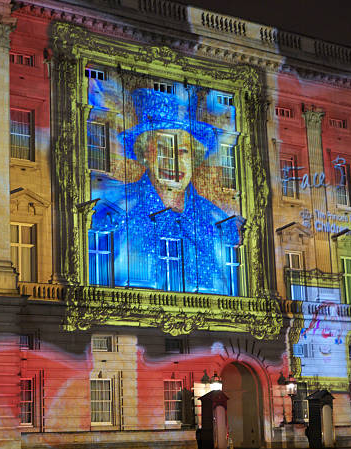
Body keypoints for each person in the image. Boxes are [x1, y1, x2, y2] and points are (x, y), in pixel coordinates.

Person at [90, 87, 243, 294]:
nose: (174, 162)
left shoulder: (216, 219)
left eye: (183, 151)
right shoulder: (115, 210)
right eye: (162, 149)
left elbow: (228, 283)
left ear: (195, 158)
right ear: (144, 153)